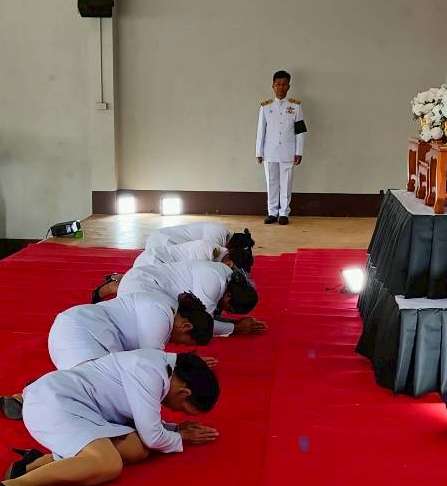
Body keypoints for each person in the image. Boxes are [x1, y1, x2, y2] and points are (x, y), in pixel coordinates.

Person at [0, 350, 220, 486]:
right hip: (53, 401)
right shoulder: (149, 372)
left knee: (135, 448)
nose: (175, 411)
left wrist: (174, 429)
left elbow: (145, 423)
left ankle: (34, 464)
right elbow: (153, 435)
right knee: (108, 464)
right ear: (184, 393)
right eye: (181, 408)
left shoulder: (160, 366)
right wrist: (179, 437)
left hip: (78, 405)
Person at [0, 292, 216, 419]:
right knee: (100, 396)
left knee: (100, 388)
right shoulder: (161, 317)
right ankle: (27, 396)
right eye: (183, 342)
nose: (176, 344)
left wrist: (186, 364)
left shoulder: (164, 305)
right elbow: (151, 361)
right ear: (186, 326)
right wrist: (186, 365)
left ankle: (33, 392)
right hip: (81, 333)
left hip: (85, 331)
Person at [111, 261, 265, 336]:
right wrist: (236, 328)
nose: (225, 310)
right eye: (229, 308)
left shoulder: (227, 277)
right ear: (229, 295)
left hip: (143, 280)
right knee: (171, 325)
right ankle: (112, 287)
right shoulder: (212, 282)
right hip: (140, 287)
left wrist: (233, 323)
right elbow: (204, 322)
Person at [256, 70, 305, 225]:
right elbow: (261, 131)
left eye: (284, 84)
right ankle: (272, 212)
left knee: (286, 183)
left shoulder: (296, 106)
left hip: (288, 151)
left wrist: (299, 151)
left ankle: (284, 213)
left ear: (288, 86)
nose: (280, 87)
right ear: (273, 86)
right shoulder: (265, 107)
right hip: (269, 151)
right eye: (278, 84)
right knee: (271, 182)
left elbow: (300, 131)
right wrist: (259, 151)